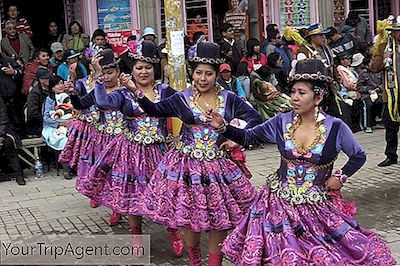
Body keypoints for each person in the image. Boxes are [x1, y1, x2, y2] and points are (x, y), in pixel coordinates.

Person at [208, 59, 396, 265]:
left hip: (316, 206)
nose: (294, 98)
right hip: (276, 203)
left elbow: (358, 156)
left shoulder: (336, 127)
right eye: (294, 92)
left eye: (301, 93)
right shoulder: (281, 121)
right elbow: (250, 137)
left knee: (326, 255)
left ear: (318, 97)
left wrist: (340, 176)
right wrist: (223, 127)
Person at [127, 42, 262, 265]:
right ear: (192, 73)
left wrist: (232, 136)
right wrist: (136, 92)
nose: (203, 78)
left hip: (218, 167)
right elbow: (155, 110)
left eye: (209, 73)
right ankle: (195, 259)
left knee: (220, 219)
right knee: (190, 218)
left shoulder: (229, 98)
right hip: (187, 166)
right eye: (199, 72)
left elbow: (255, 119)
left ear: (217, 74)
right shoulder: (182, 98)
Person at [84, 42, 184, 257]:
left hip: (160, 152)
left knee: (165, 193)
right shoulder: (122, 94)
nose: (144, 71)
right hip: (131, 152)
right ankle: (136, 234)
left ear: (154, 68)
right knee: (133, 195)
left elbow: (187, 109)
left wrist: (180, 138)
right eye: (139, 67)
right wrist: (99, 75)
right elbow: (102, 102)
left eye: (148, 67)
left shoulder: (165, 91)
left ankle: (173, 231)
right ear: (132, 71)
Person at [68, 49, 125, 225]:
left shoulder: (126, 91)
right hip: (102, 139)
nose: (107, 77)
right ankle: (104, 198)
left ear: (118, 72)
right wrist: (72, 92)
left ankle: (118, 208)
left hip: (123, 141)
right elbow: (81, 104)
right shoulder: (97, 91)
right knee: (105, 174)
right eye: (103, 73)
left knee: (120, 175)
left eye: (110, 73)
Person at [370, 16, 400, 167]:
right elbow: (373, 68)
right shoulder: (383, 46)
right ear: (392, 33)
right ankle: (391, 155)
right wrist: (383, 58)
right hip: (391, 94)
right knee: (390, 127)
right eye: (397, 31)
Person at [41, 76, 73, 179]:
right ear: (52, 87)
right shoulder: (49, 100)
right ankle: (66, 169)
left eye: (62, 83)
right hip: (53, 126)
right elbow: (46, 117)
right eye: (58, 84)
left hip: (69, 123)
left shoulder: (68, 97)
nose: (61, 85)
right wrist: (59, 123)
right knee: (63, 139)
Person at [352, 53, 383, 133]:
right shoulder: (363, 73)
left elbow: (383, 83)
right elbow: (359, 86)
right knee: (367, 104)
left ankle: (378, 119)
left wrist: (378, 89)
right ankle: (367, 125)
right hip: (366, 94)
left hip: (378, 92)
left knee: (381, 101)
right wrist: (368, 90)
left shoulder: (379, 71)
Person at [0, 97, 25, 185]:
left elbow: (3, 118)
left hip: (4, 130)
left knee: (9, 144)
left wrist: (1, 135)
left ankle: (19, 175)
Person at [26, 68, 53, 137]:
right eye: (47, 78)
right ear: (41, 80)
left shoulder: (52, 89)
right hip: (38, 126)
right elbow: (33, 113)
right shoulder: (34, 93)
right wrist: (47, 120)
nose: (50, 79)